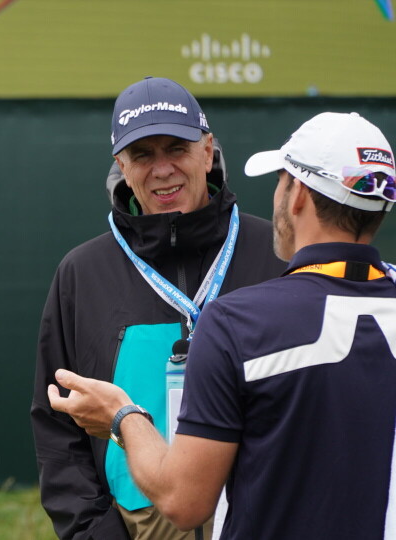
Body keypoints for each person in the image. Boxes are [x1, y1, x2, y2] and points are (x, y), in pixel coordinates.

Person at [47, 111, 396, 539]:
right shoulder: (84, 271)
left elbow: (184, 501)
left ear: (298, 194)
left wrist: (122, 417)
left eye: (280, 181)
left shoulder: (236, 323)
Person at [30, 77, 285, 540]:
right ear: (121, 167)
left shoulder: (274, 254)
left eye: (176, 148)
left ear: (208, 152)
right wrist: (94, 532)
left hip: (263, 519)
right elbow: (57, 426)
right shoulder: (82, 273)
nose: (162, 169)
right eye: (143, 155)